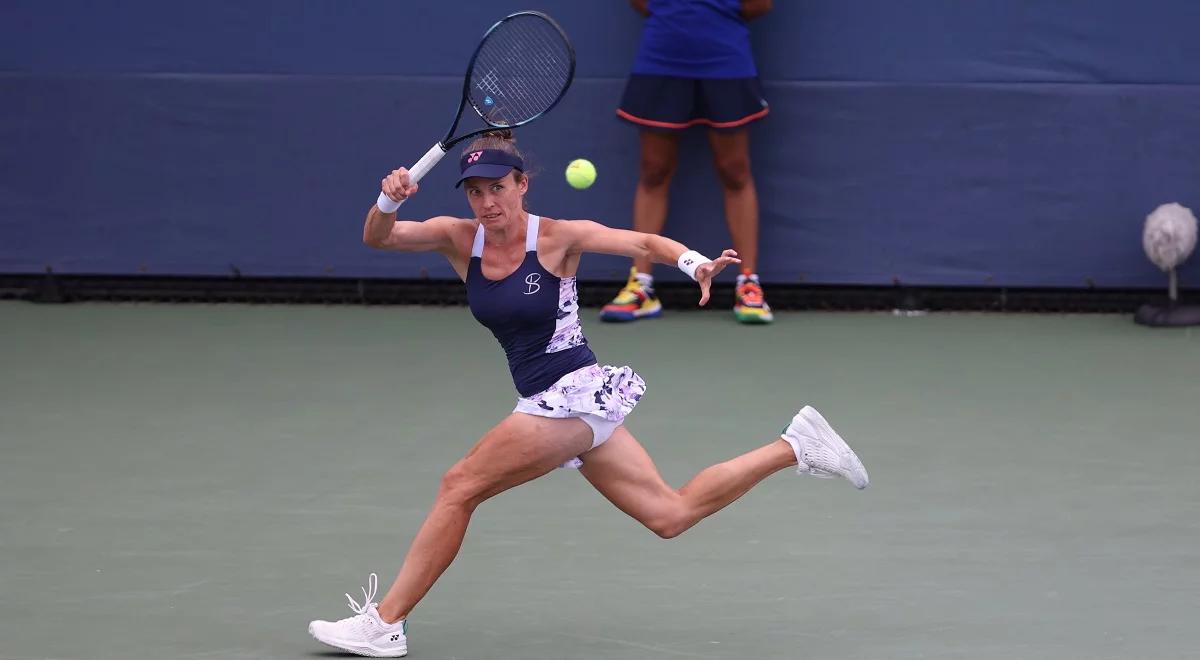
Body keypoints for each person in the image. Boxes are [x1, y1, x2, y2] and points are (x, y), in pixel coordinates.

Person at [307, 132, 868, 658]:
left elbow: (641, 241)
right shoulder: (460, 238)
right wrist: (388, 199)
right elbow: (379, 237)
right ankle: (795, 446)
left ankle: (385, 623)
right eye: (476, 192)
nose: (487, 203)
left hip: (568, 395)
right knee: (668, 513)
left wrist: (694, 262)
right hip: (561, 403)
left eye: (497, 188)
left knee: (459, 487)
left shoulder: (556, 237)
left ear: (522, 184)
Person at [601, 0, 776, 324]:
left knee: (735, 171)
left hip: (726, 57)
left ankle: (748, 283)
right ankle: (641, 286)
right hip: (662, 55)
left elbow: (759, 4)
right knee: (653, 170)